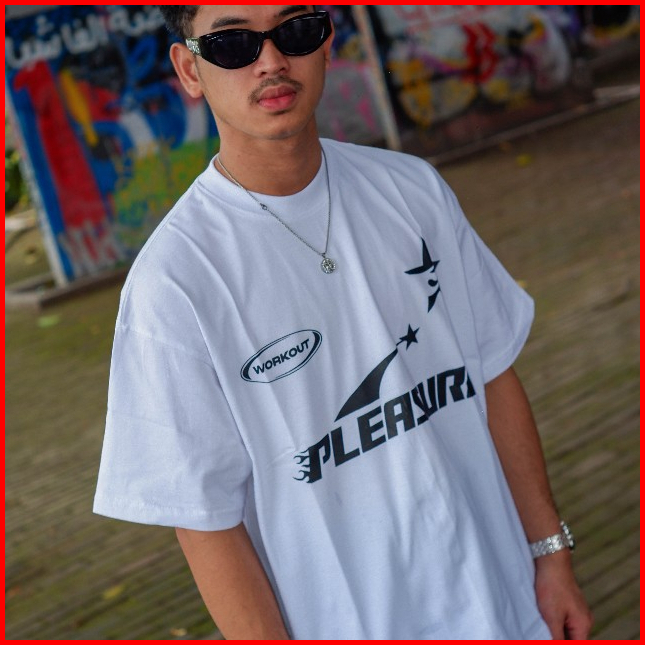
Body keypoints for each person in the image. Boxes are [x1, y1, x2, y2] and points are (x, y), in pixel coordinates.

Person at [94, 5, 593, 640]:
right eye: (232, 43)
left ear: (327, 42)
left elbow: (493, 374)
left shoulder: (413, 190)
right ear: (189, 69)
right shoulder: (174, 283)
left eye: (294, 30)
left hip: (505, 603)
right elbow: (205, 519)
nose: (271, 61)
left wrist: (550, 553)